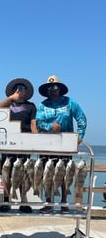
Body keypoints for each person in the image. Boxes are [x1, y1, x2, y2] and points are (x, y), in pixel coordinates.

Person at [36, 75, 87, 213]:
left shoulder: (70, 102)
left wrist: (80, 137)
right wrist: (50, 127)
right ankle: (48, 202)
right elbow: (39, 123)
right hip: (46, 145)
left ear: (60, 89)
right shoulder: (42, 105)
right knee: (47, 174)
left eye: (55, 87)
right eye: (49, 87)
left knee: (65, 173)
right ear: (46, 90)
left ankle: (64, 202)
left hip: (65, 144)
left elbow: (82, 119)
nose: (52, 89)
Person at [0, 78, 38, 213]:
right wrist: (11, 98)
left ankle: (24, 200)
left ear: (27, 92)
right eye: (17, 88)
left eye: (23, 88)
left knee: (24, 174)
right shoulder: (7, 105)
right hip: (7, 144)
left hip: (24, 144)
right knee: (6, 174)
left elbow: (33, 124)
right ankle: (6, 200)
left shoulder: (31, 106)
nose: (20, 91)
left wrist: (36, 139)